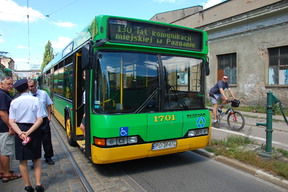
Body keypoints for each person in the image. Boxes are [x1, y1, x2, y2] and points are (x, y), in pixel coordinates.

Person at [9, 79, 46, 192]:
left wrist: (21, 133)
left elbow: (11, 121)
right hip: (33, 130)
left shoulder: (14, 102)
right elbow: (40, 120)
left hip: (19, 130)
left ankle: (27, 185)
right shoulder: (36, 100)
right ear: (28, 87)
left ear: (17, 90)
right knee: (36, 158)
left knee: (22, 160)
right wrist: (28, 133)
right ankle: (39, 185)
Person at [27, 79, 54, 165]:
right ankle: (34, 160)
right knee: (34, 141)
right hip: (33, 121)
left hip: (44, 120)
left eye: (31, 86)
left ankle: (48, 157)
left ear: (36, 85)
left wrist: (49, 116)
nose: (30, 88)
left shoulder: (43, 93)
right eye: (28, 86)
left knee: (47, 139)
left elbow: (48, 104)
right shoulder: (27, 95)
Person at [0, 76, 21, 183]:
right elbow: (3, 113)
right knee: (6, 151)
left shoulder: (3, 94)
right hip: (4, 128)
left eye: (11, 84)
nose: (10, 86)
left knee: (2, 150)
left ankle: (3, 170)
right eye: (8, 84)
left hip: (2, 128)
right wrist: (11, 126)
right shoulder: (2, 95)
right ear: (1, 84)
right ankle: (7, 174)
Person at [79, 71, 86, 137]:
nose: (83, 77)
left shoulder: (92, 84)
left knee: (82, 126)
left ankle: (87, 143)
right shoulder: (87, 84)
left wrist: (86, 112)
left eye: (84, 75)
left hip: (87, 109)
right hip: (85, 108)